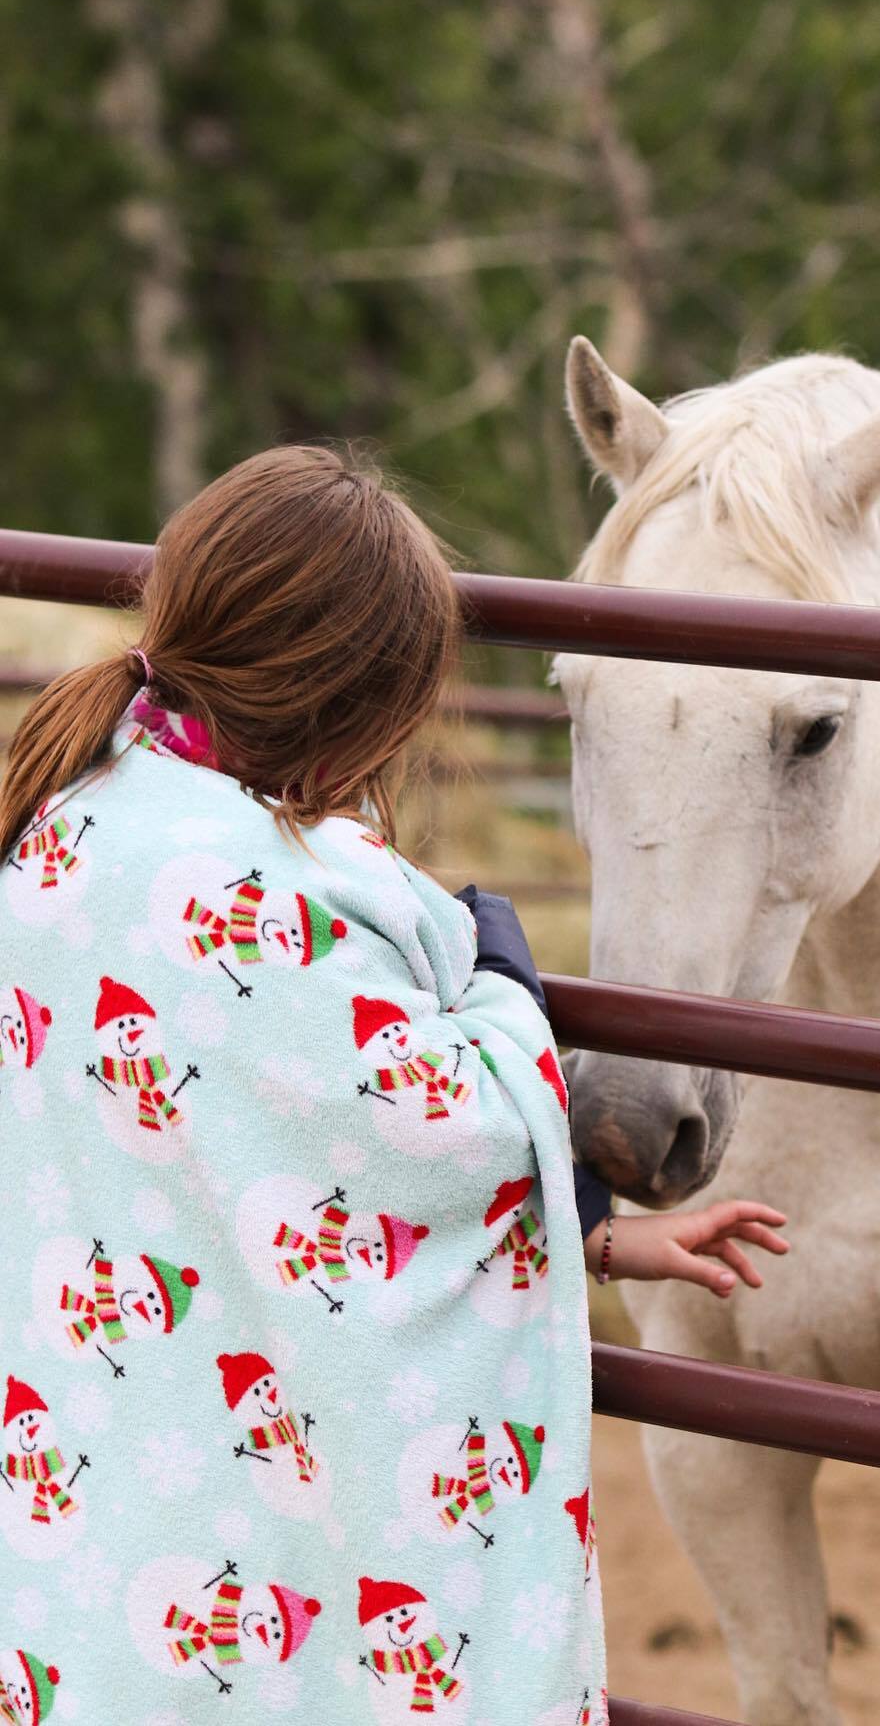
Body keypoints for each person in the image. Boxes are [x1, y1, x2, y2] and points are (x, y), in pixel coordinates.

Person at [0, 446, 787, 1726]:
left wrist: (588, 1227)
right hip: (248, 1532)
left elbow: (270, 1138)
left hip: (118, 1512)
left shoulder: (67, 819)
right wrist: (498, 971)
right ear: (370, 720)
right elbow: (449, 1125)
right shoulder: (270, 905)